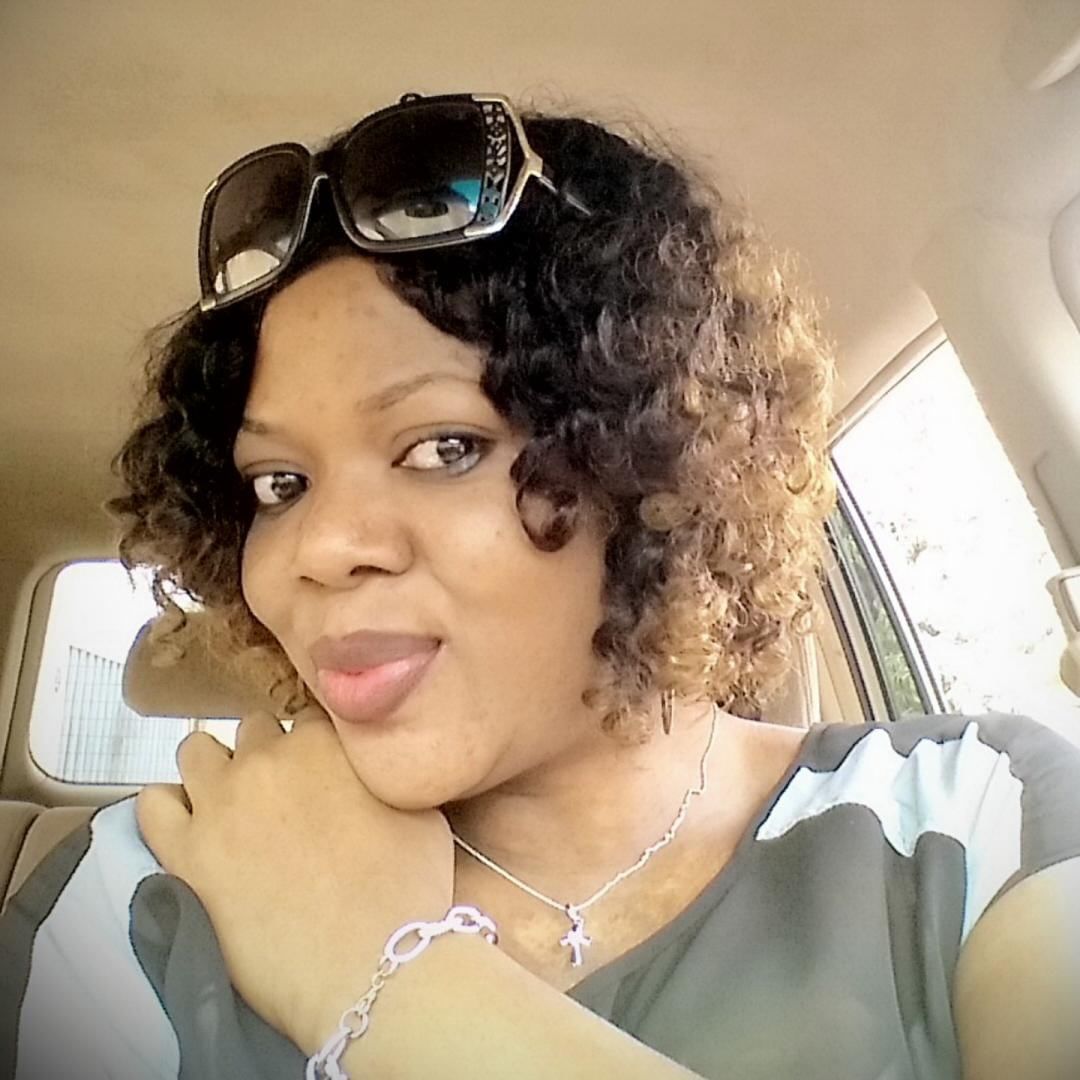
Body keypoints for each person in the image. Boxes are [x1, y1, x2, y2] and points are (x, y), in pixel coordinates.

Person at [2, 91, 1079, 1080]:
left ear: (650, 465)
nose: (319, 547)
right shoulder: (133, 897)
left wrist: (383, 977)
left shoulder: (981, 816)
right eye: (278, 483)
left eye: (443, 448)